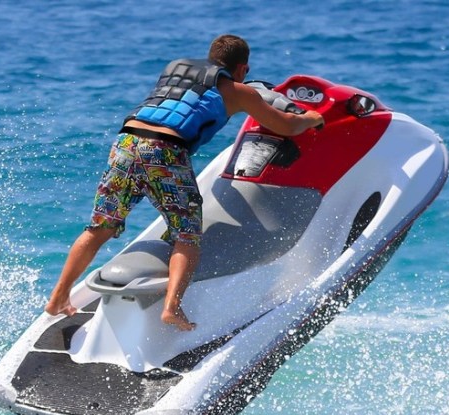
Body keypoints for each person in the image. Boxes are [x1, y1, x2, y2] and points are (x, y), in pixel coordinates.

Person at [45, 34, 324, 331]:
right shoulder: (238, 90)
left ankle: (59, 295)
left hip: (126, 142)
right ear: (243, 68)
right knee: (187, 236)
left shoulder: (174, 68)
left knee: (101, 226)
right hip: (165, 150)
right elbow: (285, 125)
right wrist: (311, 118)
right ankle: (172, 308)